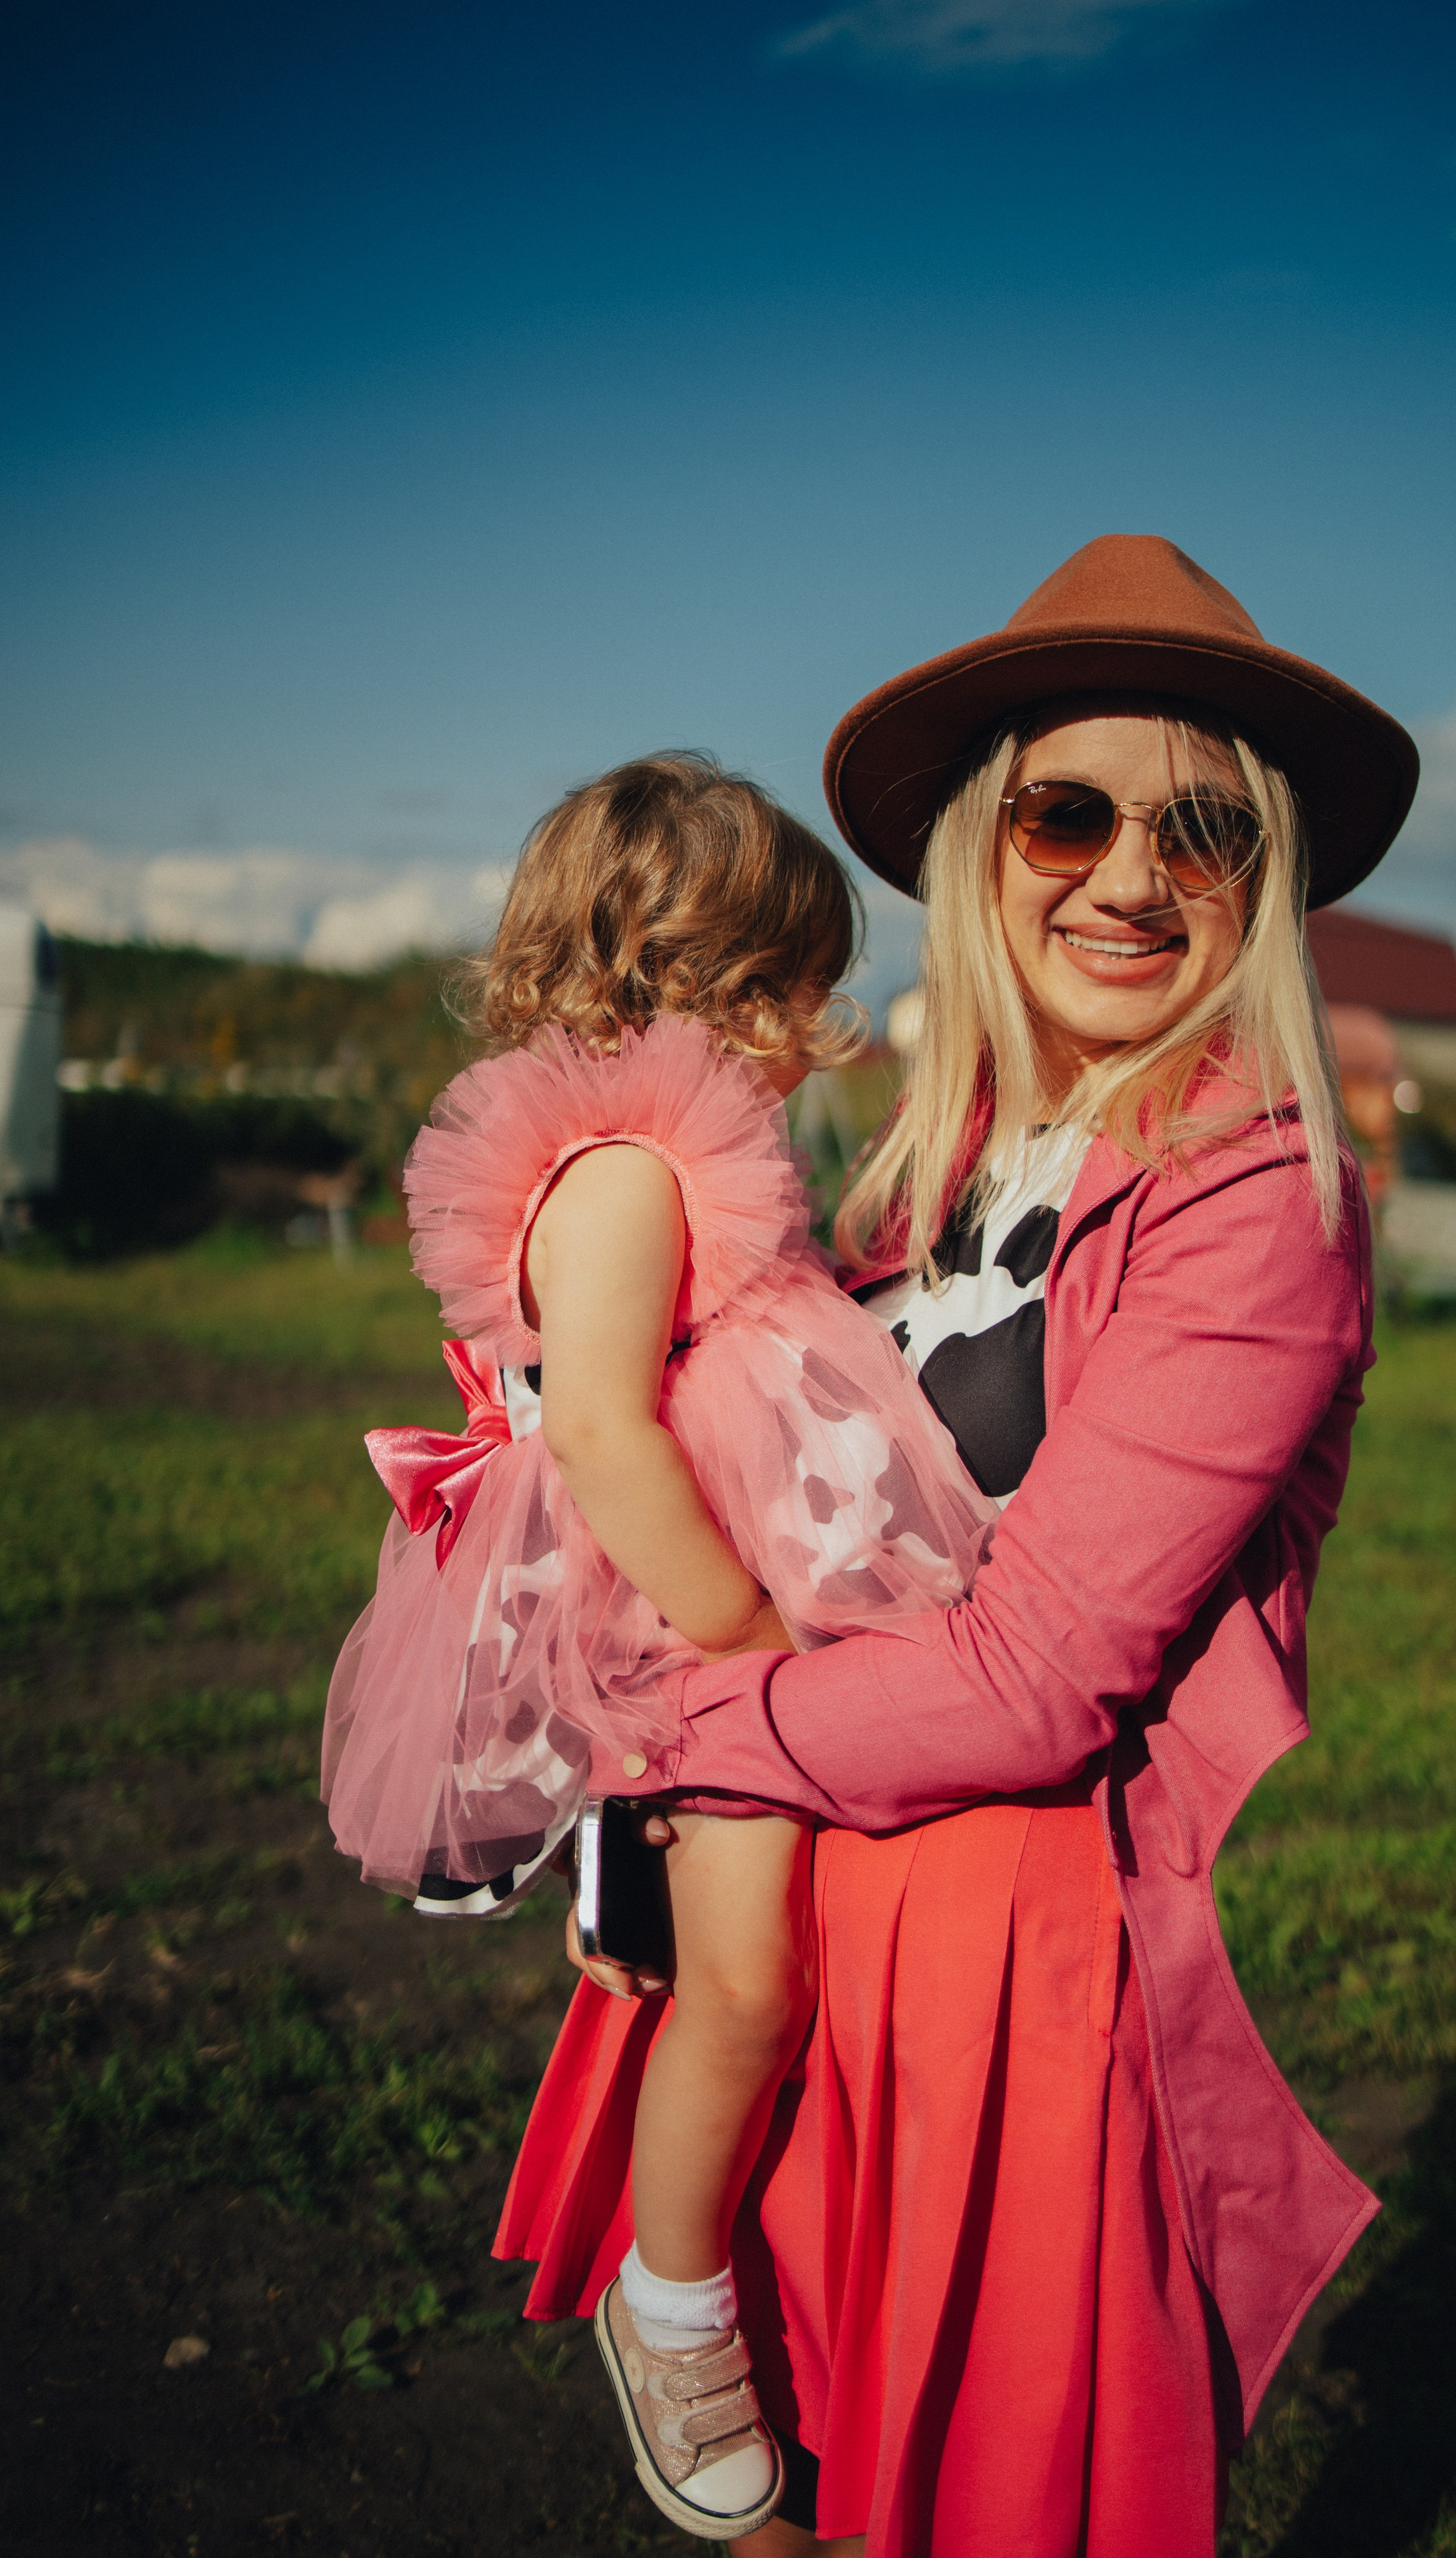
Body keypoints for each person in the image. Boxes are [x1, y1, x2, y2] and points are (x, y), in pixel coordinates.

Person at [494, 536, 1421, 2558]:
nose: (1128, 876)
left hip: (1009, 1952)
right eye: (1067, 813)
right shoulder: (939, 1167)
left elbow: (1036, 1680)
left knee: (988, 2482)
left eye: (1201, 830)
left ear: (1261, 880)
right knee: (783, 2467)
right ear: (983, 848)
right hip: (792, 1896)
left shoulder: (1257, 1203)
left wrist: (659, 1751)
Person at [321, 754, 999, 2540]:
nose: (810, 1036)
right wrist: (749, 1638)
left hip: (718, 1621)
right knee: (749, 1989)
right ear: (693, 981)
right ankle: (672, 2304)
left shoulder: (677, 1156)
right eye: (790, 991)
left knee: (760, 1964)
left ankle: (731, 2215)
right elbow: (606, 1431)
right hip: (696, 1638)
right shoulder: (624, 1172)